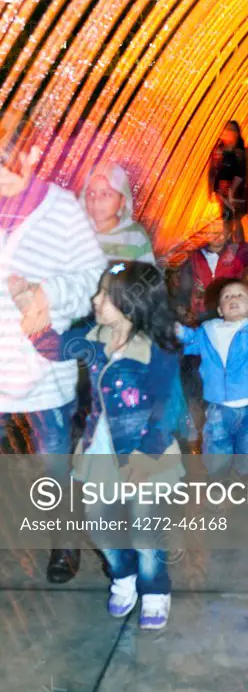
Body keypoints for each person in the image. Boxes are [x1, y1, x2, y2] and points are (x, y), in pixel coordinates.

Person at [24, 260, 182, 631]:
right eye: (98, 292)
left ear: (134, 302)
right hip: (98, 452)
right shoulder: (94, 338)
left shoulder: (156, 348)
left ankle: (155, 588)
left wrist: (146, 455)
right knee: (100, 526)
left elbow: (168, 406)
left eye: (106, 295)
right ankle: (123, 575)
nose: (96, 300)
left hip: (147, 455)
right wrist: (33, 310)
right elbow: (52, 346)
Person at [0, 110, 107, 584]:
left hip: (43, 363)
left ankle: (64, 541)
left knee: (52, 460)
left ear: (32, 155)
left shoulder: (61, 208)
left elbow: (92, 276)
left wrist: (49, 294)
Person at [177, 276, 248, 472]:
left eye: (240, 295)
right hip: (218, 406)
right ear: (220, 309)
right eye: (227, 296)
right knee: (216, 450)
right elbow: (190, 342)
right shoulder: (208, 332)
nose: (233, 298)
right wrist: (178, 332)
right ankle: (219, 484)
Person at [80, 163, 155, 263]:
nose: (96, 201)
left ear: (123, 200)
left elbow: (148, 274)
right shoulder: (78, 232)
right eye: (91, 193)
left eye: (106, 194)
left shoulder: (135, 236)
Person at [208, 122, 247, 241]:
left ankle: (240, 246)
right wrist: (210, 190)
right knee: (226, 218)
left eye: (232, 130)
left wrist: (233, 190)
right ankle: (228, 244)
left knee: (237, 219)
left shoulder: (239, 152)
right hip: (222, 191)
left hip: (236, 192)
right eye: (227, 129)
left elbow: (241, 173)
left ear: (237, 134)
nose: (229, 132)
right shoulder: (219, 150)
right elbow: (212, 170)